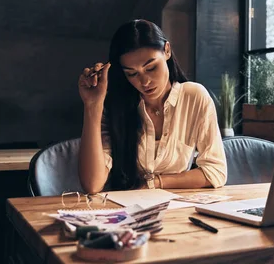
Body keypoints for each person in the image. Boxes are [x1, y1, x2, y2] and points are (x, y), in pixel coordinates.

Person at [78, 19, 227, 193]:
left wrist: (155, 183)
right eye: (132, 74)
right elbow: (92, 184)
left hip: (175, 209)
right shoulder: (116, 106)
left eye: (151, 68)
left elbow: (215, 171)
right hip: (122, 210)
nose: (145, 81)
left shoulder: (194, 97)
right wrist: (92, 105)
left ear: (167, 51)